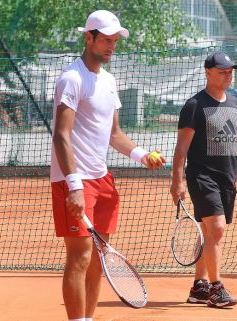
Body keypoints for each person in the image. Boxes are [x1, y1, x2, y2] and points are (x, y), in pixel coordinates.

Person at [50, 10, 165, 321]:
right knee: (80, 256)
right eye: (106, 41)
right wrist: (73, 185)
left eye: (115, 41)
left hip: (103, 180)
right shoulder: (71, 79)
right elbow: (61, 135)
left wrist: (142, 155)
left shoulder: (110, 80)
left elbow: (114, 134)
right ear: (89, 38)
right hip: (74, 181)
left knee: (98, 260)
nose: (111, 47)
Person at [170, 51, 237, 308]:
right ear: (207, 72)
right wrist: (177, 182)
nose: (228, 75)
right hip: (201, 176)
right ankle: (216, 288)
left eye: (230, 71)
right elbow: (181, 150)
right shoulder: (194, 105)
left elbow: (235, 138)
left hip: (227, 178)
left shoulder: (233, 103)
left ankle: (199, 287)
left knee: (209, 232)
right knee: (217, 228)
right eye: (222, 71)